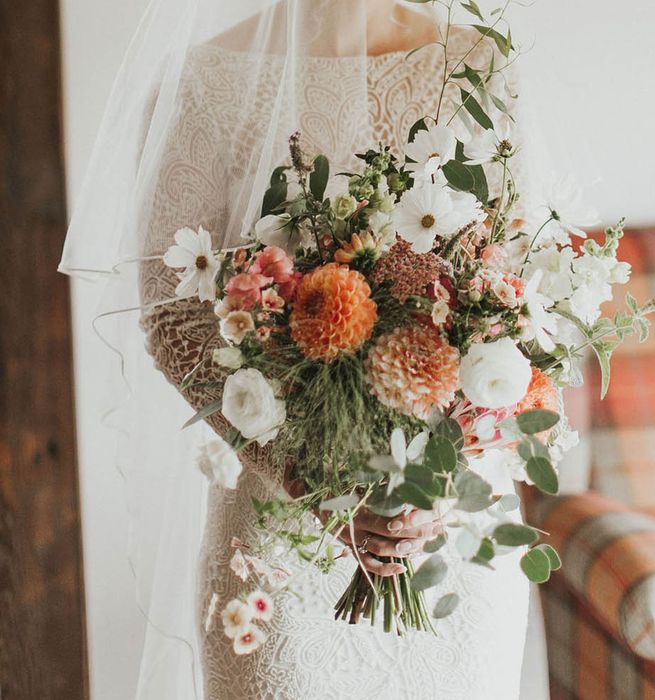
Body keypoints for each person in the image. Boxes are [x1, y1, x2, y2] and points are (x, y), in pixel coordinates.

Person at [61, 1, 533, 697]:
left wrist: (431, 477)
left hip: (448, 529)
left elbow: (516, 288)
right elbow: (175, 317)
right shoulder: (202, 80)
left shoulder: (480, 64)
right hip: (281, 540)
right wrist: (318, 483)